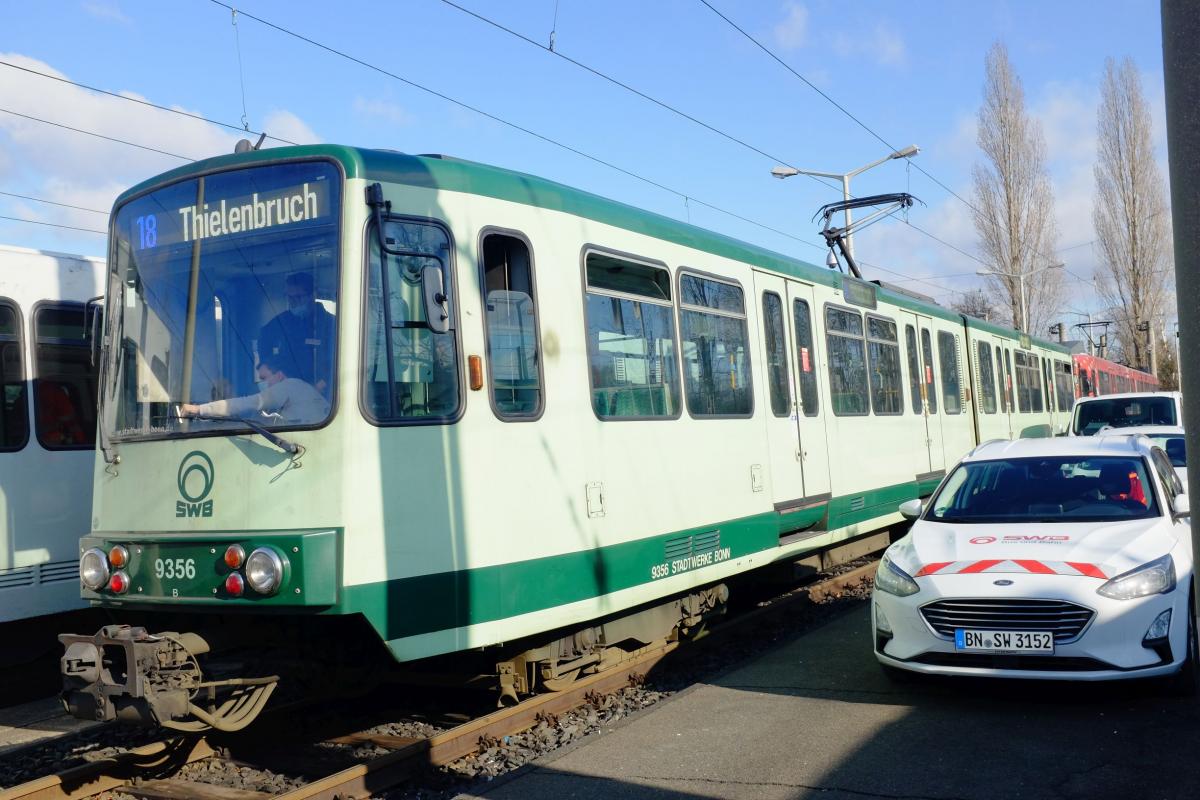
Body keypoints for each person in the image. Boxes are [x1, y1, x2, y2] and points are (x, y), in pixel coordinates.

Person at [181, 358, 330, 425]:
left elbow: (250, 403)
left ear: (279, 375)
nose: (262, 384)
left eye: (264, 378)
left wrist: (199, 409)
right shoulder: (303, 389)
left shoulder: (289, 385)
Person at [258, 272, 335, 395]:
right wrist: (266, 365)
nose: (294, 302)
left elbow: (338, 363)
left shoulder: (331, 324)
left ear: (312, 295)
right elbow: (264, 337)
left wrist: (318, 387)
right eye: (290, 297)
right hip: (287, 388)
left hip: (322, 393)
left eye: (299, 297)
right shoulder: (283, 320)